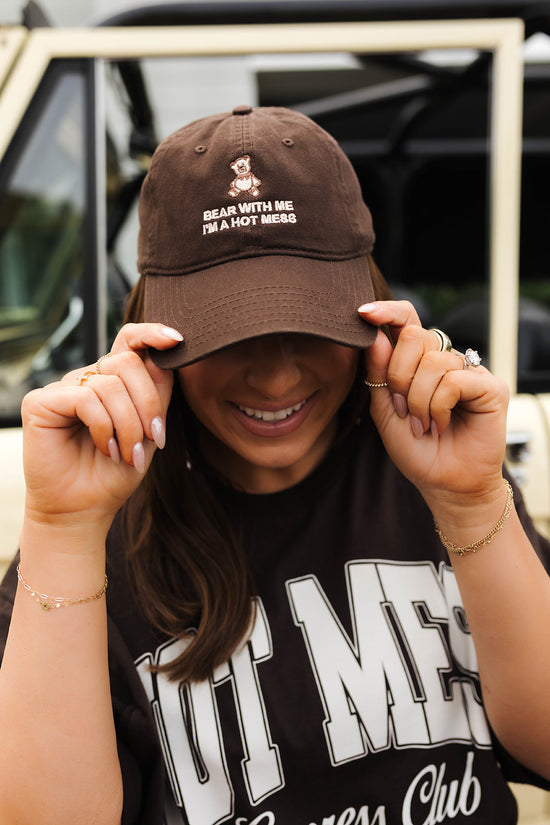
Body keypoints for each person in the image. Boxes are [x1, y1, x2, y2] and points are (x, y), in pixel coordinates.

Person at [0, 105, 549, 825]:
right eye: (226, 337)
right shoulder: (102, 546)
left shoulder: (432, 481)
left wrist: (474, 503)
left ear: (373, 315)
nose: (275, 376)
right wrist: (63, 529)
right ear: (152, 340)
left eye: (308, 326)